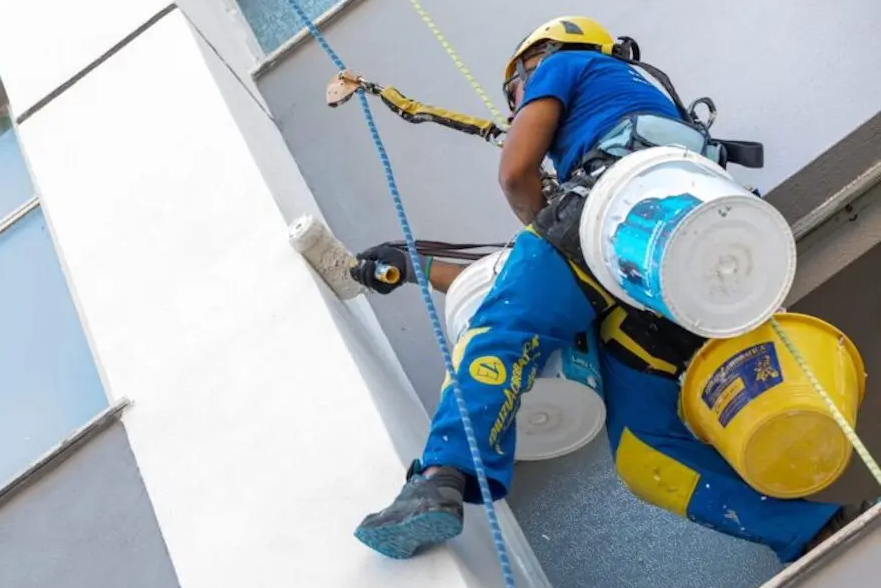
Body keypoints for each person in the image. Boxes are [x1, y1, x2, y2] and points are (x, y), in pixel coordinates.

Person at [347, 15, 870, 564]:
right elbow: (520, 275)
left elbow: (516, 175)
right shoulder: (643, 112)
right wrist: (412, 266)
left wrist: (540, 226)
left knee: (501, 329)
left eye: (514, 90)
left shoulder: (565, 64)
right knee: (645, 454)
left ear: (542, 55)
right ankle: (813, 530)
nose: (513, 105)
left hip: (614, 222)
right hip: (670, 269)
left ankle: (440, 477)